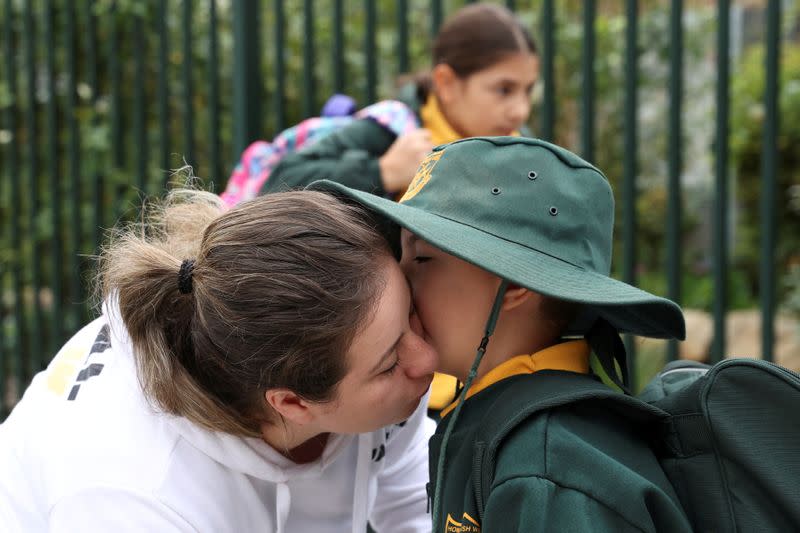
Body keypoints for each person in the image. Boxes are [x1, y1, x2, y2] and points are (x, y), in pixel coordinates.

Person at [310, 137, 693, 531]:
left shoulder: (547, 469)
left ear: (511, 286)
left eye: (422, 258)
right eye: (400, 256)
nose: (398, 282)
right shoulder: (501, 418)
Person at [0, 189, 437, 533]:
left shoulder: (356, 353)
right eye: (389, 363)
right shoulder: (136, 496)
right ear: (292, 404)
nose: (426, 358)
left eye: (411, 318)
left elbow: (420, 507)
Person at [262, 3, 540, 413]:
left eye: (528, 90)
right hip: (388, 361)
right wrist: (382, 169)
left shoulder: (521, 147)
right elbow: (280, 184)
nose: (520, 109)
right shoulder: (391, 131)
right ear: (446, 82)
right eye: (503, 89)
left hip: (486, 368)